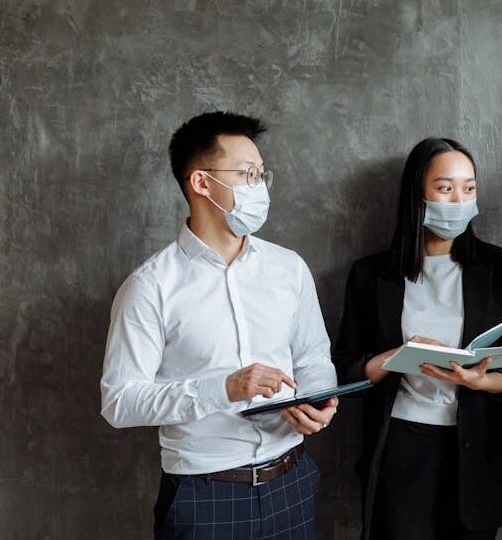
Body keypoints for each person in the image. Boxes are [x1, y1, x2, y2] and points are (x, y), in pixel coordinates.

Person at [100, 111, 338, 539]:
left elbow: (313, 356)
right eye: (248, 174)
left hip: (292, 480)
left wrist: (317, 401)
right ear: (202, 182)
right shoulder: (151, 287)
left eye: (263, 175)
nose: (259, 187)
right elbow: (120, 402)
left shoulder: (290, 268)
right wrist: (224, 389)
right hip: (205, 496)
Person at [333, 137, 502, 540]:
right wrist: (395, 356)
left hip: (476, 452)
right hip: (401, 449)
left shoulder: (500, 267)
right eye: (445, 188)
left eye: (469, 187)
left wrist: (477, 379)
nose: (459, 199)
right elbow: (346, 370)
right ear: (416, 194)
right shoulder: (372, 275)